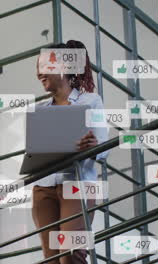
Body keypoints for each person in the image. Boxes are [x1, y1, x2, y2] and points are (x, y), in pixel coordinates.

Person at [31, 40, 109, 264]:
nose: (38, 73)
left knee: (71, 255)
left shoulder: (90, 101)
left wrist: (93, 147)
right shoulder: (40, 111)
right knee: (52, 260)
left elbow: (103, 148)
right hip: (43, 189)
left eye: (43, 66)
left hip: (77, 184)